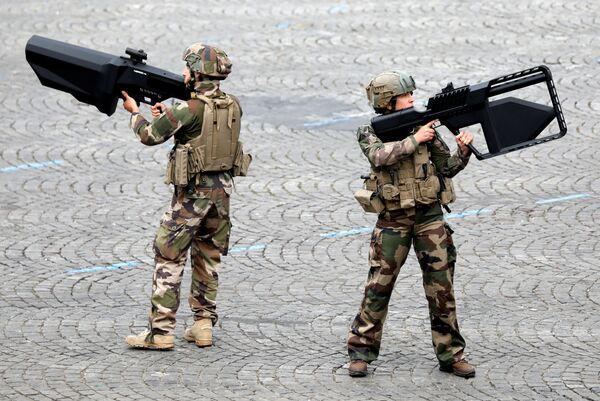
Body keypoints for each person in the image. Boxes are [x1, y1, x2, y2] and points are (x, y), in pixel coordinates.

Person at [122, 43, 251, 350]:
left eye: (186, 68)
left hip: (192, 197)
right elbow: (204, 130)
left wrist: (134, 114)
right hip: (221, 196)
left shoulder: (187, 108)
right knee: (208, 254)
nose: (182, 73)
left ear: (196, 73)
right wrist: (169, 114)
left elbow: (149, 136)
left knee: (168, 255)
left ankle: (161, 332)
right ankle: (203, 325)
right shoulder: (233, 104)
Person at [347, 71, 476, 378]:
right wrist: (413, 140)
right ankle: (361, 351)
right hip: (393, 222)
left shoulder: (425, 128)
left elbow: (447, 166)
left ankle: (451, 354)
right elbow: (378, 156)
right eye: (407, 96)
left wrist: (464, 151)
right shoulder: (369, 131)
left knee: (441, 288)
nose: (412, 99)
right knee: (378, 288)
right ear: (388, 101)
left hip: (430, 218)